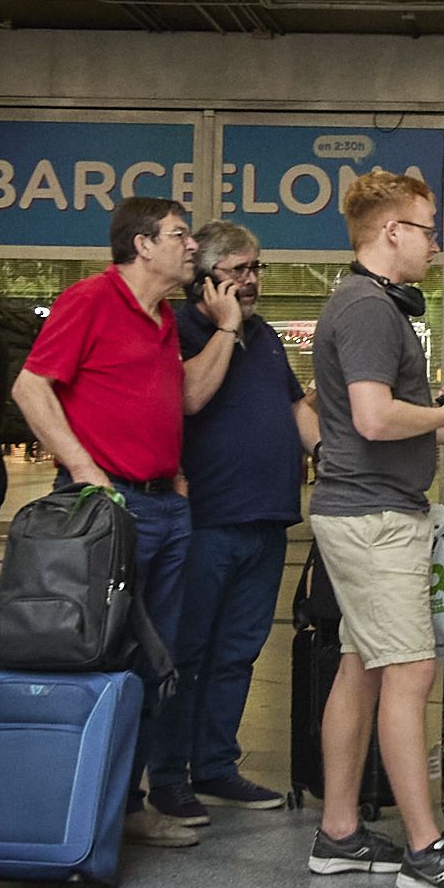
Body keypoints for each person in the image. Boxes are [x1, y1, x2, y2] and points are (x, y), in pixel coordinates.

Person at [306, 170, 444, 888]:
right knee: (411, 670)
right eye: (427, 228)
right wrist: (442, 411)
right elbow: (373, 417)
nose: (435, 244)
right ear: (391, 231)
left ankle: (338, 830)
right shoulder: (366, 309)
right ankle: (426, 850)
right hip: (373, 517)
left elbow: (399, 413)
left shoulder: (371, 305)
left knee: (362, 666)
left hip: (365, 508)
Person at [11, 197, 235, 854]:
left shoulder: (161, 317)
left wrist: (225, 329)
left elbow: (187, 396)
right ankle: (78, 801)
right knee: (96, 652)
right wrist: (85, 471)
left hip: (165, 507)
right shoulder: (90, 299)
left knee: (150, 660)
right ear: (141, 244)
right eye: (178, 235)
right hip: (106, 509)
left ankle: (126, 803)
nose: (191, 246)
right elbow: (31, 387)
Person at [158, 220, 313, 819]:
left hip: (266, 521)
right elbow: (189, 396)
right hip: (204, 522)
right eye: (239, 271)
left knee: (237, 652)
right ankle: (169, 774)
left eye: (256, 269)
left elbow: (296, 410)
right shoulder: (178, 329)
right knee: (187, 652)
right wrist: (225, 328)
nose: (252, 281)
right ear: (204, 278)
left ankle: (217, 765)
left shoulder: (266, 336)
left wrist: (332, 455)